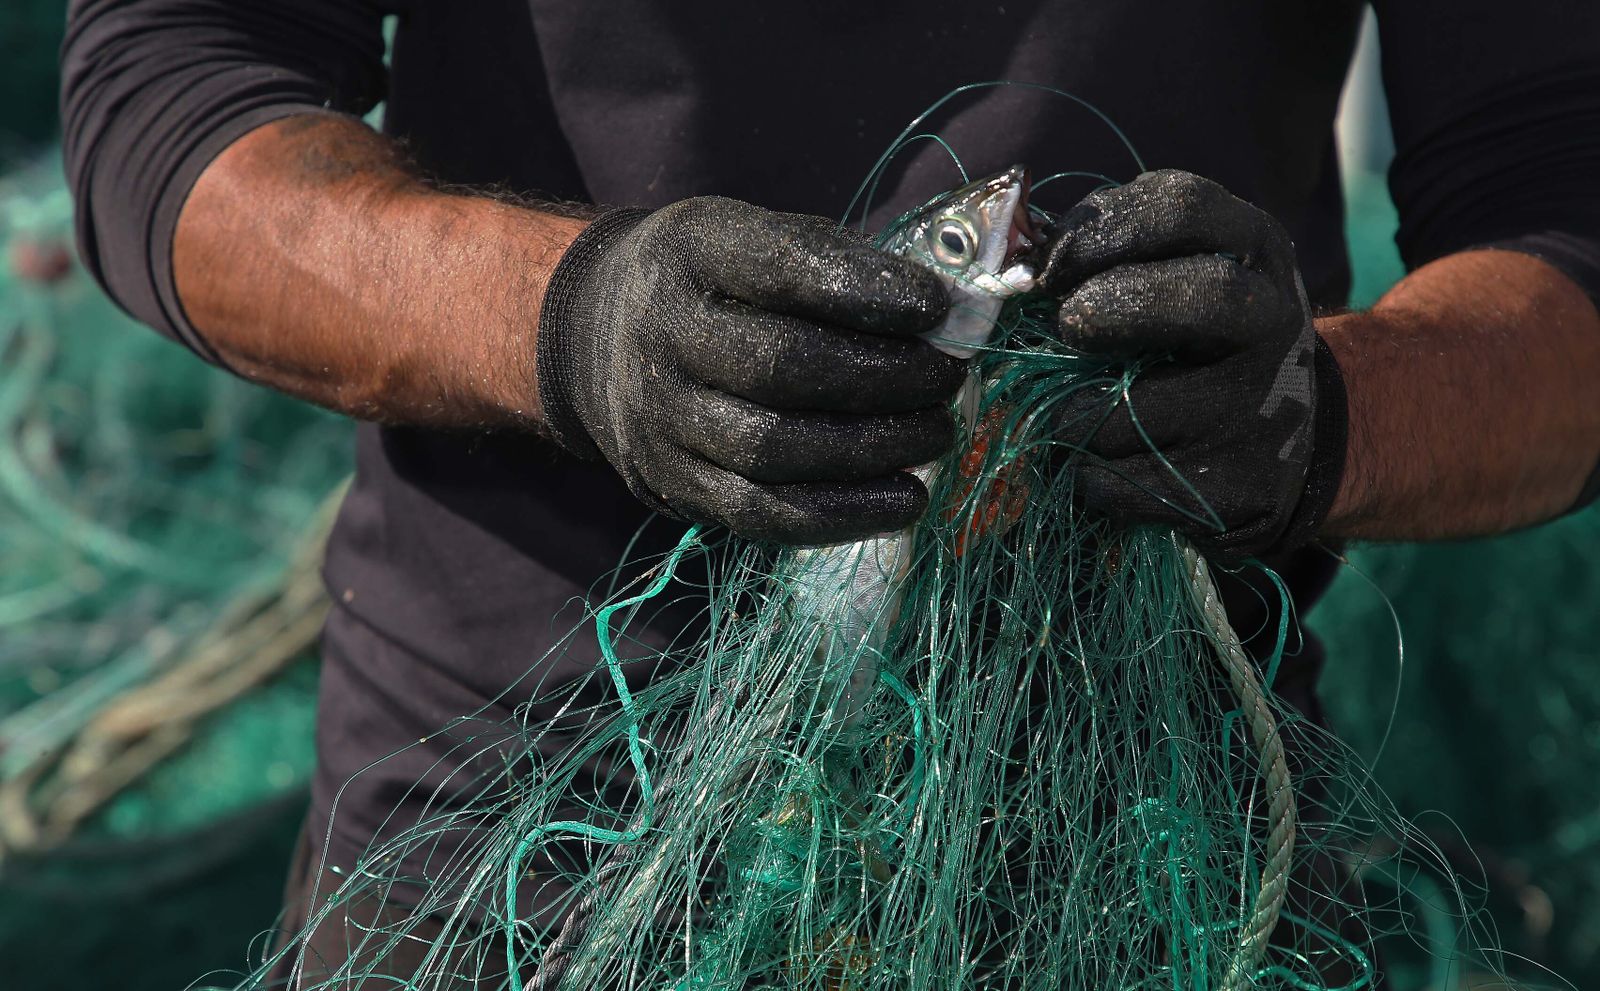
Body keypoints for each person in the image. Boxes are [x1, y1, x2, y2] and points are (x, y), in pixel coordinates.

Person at [62, 0, 1600, 984]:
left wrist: (1321, 415)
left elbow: (1565, 231)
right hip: (497, 860)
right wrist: (574, 321)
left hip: (1151, 877)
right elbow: (172, 96)